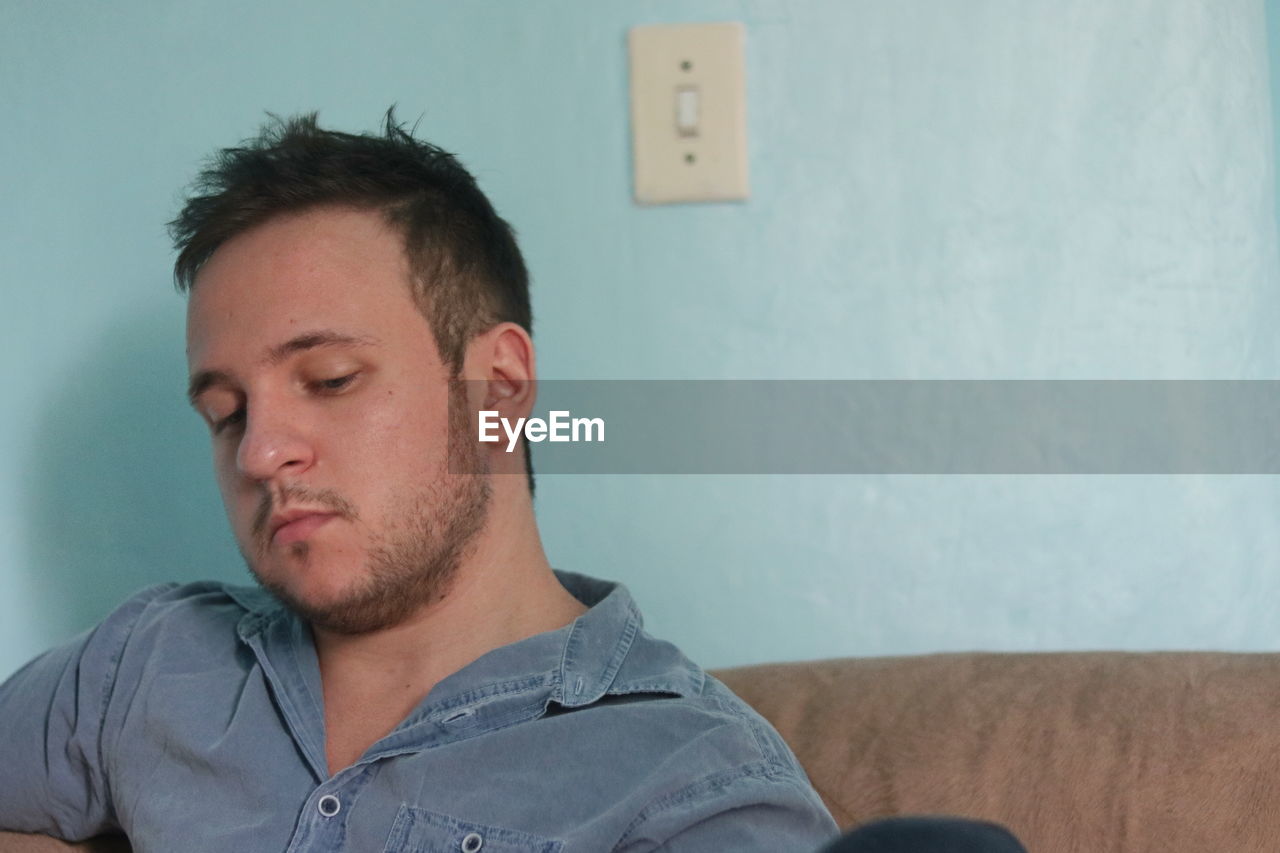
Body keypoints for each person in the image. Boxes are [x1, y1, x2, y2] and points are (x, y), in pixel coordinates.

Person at [0, 112, 838, 851]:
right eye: (226, 413)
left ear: (499, 386)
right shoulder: (145, 664)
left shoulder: (696, 788)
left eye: (330, 379)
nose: (259, 454)